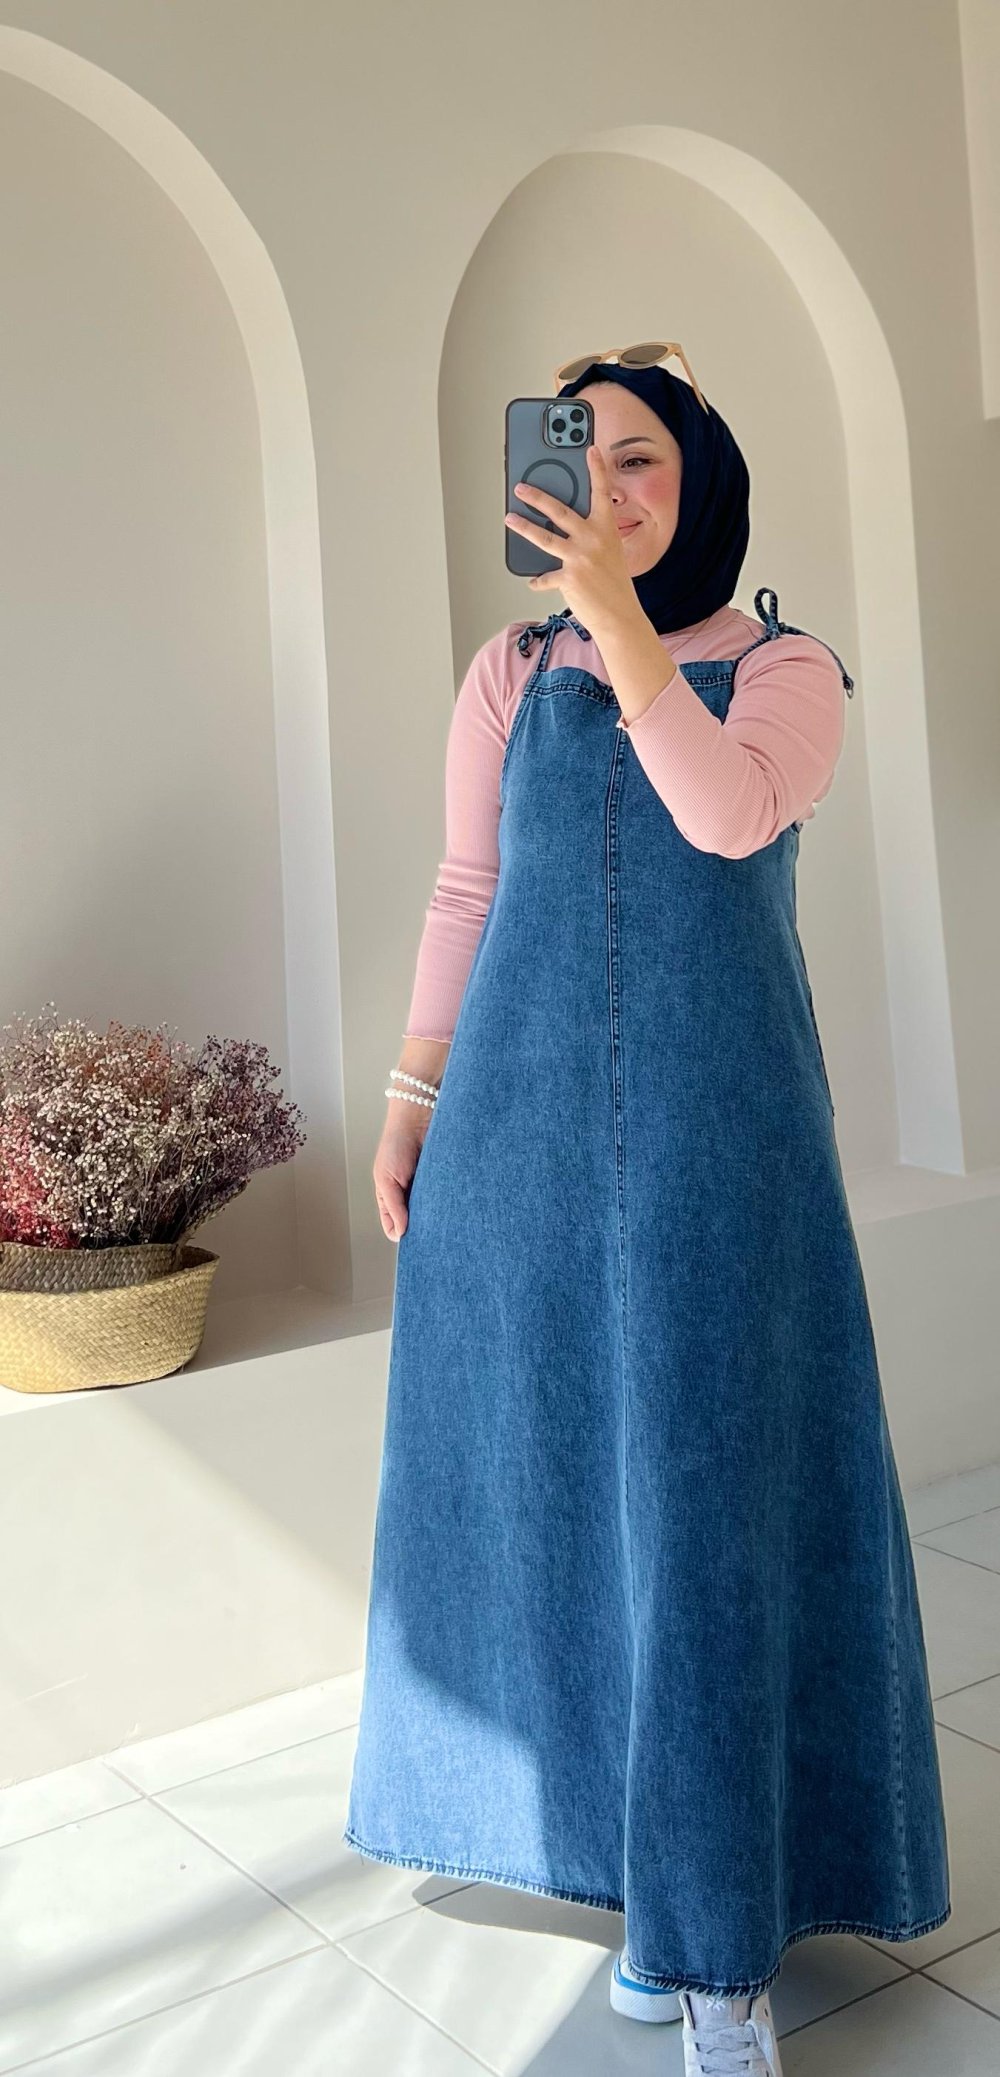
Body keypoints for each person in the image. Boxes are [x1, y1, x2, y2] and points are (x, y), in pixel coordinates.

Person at [343, 349, 951, 2076]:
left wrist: (620, 624)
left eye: (642, 462)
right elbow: (467, 887)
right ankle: (641, 1891)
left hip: (720, 1147)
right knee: (556, 1496)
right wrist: (412, 1101)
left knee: (706, 1506)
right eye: (581, 455)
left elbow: (723, 812)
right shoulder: (505, 670)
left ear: (704, 485)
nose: (606, 489)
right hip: (519, 1140)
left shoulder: (788, 669)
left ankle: (717, 1953)